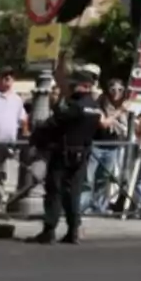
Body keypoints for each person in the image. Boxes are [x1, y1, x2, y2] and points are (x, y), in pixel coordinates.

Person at [28, 70, 104, 245]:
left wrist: (37, 137)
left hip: (63, 153)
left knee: (55, 191)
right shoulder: (94, 107)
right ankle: (73, 230)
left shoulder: (74, 105)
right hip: (82, 154)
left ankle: (49, 231)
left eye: (73, 83)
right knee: (73, 194)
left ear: (83, 85)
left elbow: (53, 124)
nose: (70, 86)